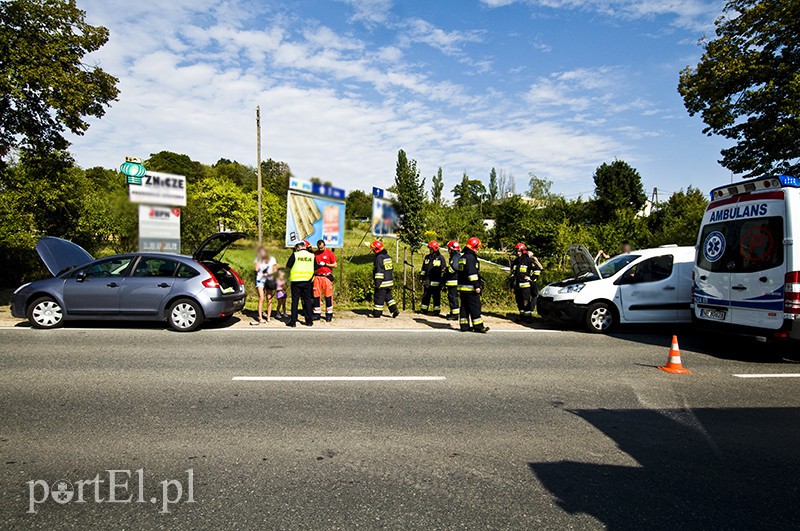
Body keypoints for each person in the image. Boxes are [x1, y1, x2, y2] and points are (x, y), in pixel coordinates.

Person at [457, 237, 488, 333]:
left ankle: (464, 326)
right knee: (475, 307)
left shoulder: (463, 257)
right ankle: (478, 326)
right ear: (474, 247)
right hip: (470, 288)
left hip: (462, 287)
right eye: (477, 247)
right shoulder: (470, 258)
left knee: (464, 307)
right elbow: (472, 274)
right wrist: (477, 286)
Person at [285, 240, 316, 327]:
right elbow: (315, 268)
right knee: (307, 301)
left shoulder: (295, 255)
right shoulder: (312, 256)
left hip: (296, 281)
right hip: (307, 281)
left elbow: (288, 267)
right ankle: (309, 321)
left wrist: (286, 280)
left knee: (295, 301)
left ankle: (293, 321)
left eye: (296, 247)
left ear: (299, 247)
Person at [369, 240, 399, 318]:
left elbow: (379, 271)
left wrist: (377, 283)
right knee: (388, 297)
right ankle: (394, 310)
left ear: (376, 249)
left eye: (373, 250)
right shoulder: (387, 256)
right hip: (389, 281)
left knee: (379, 298)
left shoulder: (379, 258)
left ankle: (377, 313)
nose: (372, 251)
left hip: (382, 282)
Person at [251, 246, 277, 325]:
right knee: (261, 298)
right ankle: (260, 317)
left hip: (269, 280)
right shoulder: (258, 259)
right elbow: (256, 269)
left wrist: (268, 274)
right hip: (260, 280)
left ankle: (268, 316)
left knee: (269, 298)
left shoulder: (272, 259)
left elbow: (275, 270)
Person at [313, 239, 337, 322]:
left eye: (322, 248)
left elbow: (335, 265)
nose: (320, 250)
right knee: (316, 296)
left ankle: (329, 314)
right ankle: (317, 313)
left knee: (328, 296)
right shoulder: (315, 254)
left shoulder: (330, 253)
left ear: (325, 246)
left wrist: (326, 264)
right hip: (317, 277)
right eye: (319, 248)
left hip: (326, 277)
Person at [419, 241, 445, 316]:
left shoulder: (440, 258)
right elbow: (423, 269)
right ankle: (424, 309)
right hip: (427, 281)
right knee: (426, 296)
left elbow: (443, 269)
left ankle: (436, 311)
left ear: (435, 249)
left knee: (436, 297)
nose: (430, 250)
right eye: (429, 249)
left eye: (431, 249)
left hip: (436, 281)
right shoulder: (427, 257)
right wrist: (421, 277)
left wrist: (442, 281)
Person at [510, 243, 534, 322]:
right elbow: (513, 273)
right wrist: (512, 284)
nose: (517, 253)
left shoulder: (528, 260)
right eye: (516, 251)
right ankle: (522, 315)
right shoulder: (516, 261)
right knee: (519, 301)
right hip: (517, 285)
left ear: (523, 251)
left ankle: (528, 317)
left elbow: (537, 270)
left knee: (526, 301)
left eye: (519, 251)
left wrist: (531, 278)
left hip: (525, 285)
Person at [444, 240, 461, 320]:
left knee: (453, 298)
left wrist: (446, 270)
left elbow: (454, 268)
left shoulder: (455, 257)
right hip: (453, 281)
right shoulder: (456, 256)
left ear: (452, 249)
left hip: (453, 282)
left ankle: (455, 315)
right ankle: (453, 312)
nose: (448, 250)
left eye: (449, 249)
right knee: (451, 298)